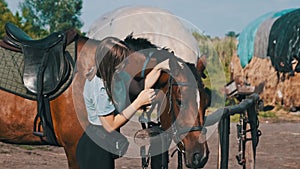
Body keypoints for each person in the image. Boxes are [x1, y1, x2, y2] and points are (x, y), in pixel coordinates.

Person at [76, 37, 169, 169]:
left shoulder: (117, 75)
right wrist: (137, 103)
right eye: (123, 61)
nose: (126, 64)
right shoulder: (101, 87)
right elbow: (109, 125)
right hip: (96, 145)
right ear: (111, 63)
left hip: (104, 141)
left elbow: (140, 87)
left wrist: (159, 68)